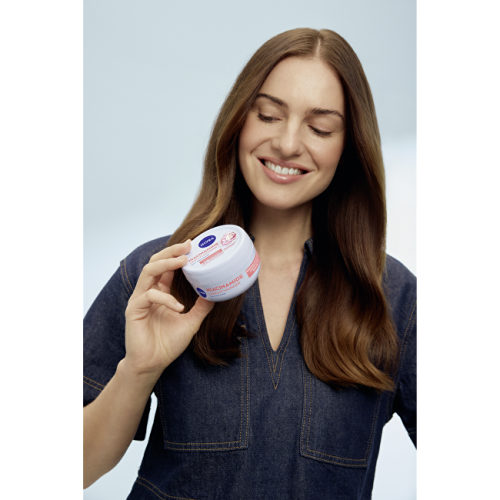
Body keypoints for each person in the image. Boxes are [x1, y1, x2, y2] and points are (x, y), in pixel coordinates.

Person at [81, 28, 419, 499]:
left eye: (320, 128)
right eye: (268, 116)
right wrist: (137, 370)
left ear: (349, 146)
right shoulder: (159, 277)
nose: (287, 143)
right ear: (239, 121)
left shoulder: (394, 298)